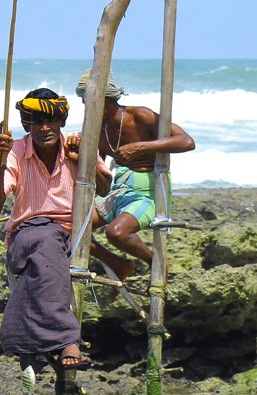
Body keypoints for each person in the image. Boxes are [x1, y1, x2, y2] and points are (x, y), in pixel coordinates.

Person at [0, 88, 111, 379]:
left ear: (61, 122)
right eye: (37, 122)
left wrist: (82, 160)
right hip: (28, 234)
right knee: (45, 239)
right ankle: (68, 338)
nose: (44, 128)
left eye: (50, 121)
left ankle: (29, 347)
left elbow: (104, 188)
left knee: (48, 252)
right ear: (27, 125)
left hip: (73, 236)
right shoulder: (16, 151)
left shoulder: (78, 143)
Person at [71, 70, 196, 282]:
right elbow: (99, 174)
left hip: (147, 195)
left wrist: (140, 147)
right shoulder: (94, 129)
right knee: (70, 228)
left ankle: (156, 262)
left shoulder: (139, 116)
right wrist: (78, 155)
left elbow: (186, 141)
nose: (87, 107)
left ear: (109, 99)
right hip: (117, 192)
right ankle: (118, 263)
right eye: (85, 101)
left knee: (116, 233)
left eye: (91, 101)